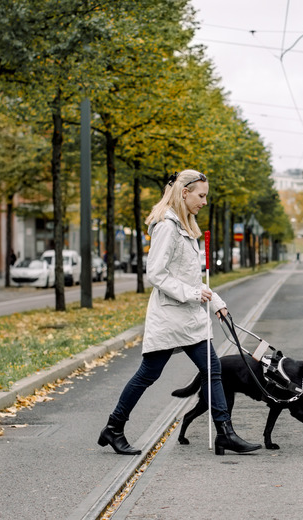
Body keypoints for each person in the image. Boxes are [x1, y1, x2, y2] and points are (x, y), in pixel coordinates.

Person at [98, 169, 261, 456]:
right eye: (201, 195)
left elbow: (189, 277)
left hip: (190, 319)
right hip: (171, 319)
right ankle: (113, 428)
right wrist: (194, 294)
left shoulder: (185, 228)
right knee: (148, 375)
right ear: (184, 192)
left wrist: (215, 302)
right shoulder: (167, 227)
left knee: (213, 371)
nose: (205, 202)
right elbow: (156, 275)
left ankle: (225, 433)